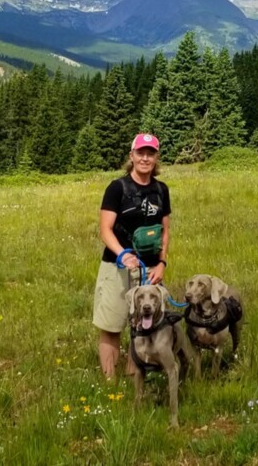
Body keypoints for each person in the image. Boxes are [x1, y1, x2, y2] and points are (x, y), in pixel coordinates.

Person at [92, 133, 171, 379]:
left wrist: (162, 263)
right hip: (117, 267)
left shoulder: (161, 190)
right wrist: (122, 254)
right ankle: (109, 383)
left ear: (156, 157)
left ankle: (133, 379)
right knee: (111, 325)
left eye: (150, 153)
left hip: (149, 271)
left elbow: (165, 232)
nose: (145, 158)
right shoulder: (117, 188)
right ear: (132, 156)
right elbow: (105, 229)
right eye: (140, 153)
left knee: (143, 326)